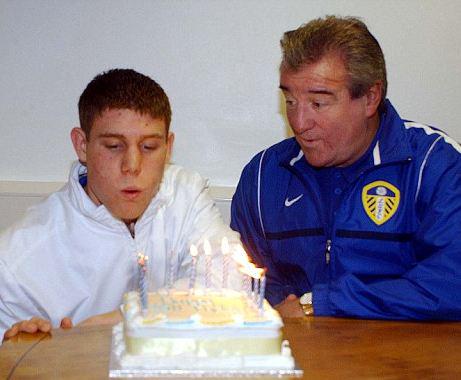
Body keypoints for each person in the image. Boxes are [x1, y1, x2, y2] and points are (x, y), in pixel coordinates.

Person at [231, 16, 461, 320]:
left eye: (318, 104)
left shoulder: (433, 164)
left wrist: (322, 304)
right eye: (289, 100)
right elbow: (241, 284)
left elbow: (452, 282)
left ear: (369, 98)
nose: (299, 123)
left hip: (408, 362)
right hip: (298, 361)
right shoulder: (263, 176)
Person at [0, 68, 240, 341]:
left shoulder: (184, 193)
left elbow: (233, 283)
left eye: (149, 147)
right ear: (82, 145)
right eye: (114, 146)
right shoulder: (16, 259)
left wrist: (126, 320)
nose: (132, 166)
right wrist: (24, 353)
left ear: (168, 147)